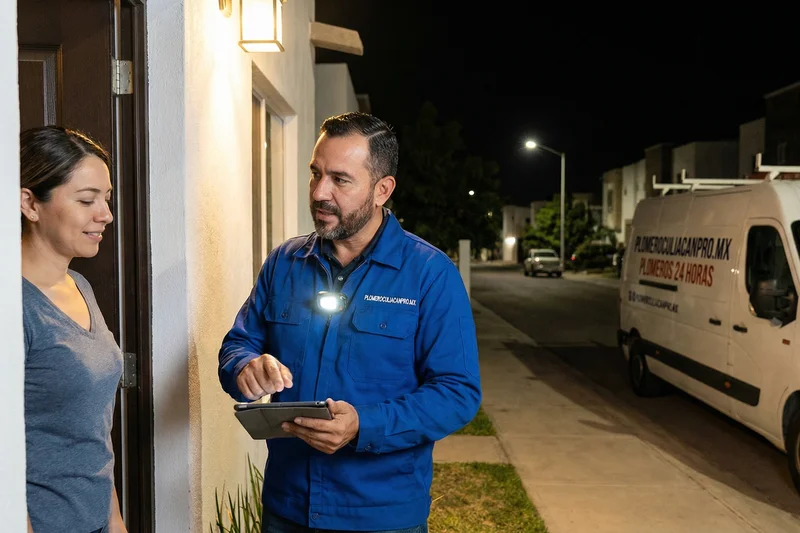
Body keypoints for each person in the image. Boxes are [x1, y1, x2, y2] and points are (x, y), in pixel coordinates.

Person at [218, 112, 482, 532]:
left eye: (340, 180)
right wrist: (245, 366)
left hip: (380, 515)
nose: (320, 191)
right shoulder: (285, 263)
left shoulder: (430, 274)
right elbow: (238, 343)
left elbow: (458, 393)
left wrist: (364, 425)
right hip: (287, 508)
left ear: (382, 189)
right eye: (315, 173)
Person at [20, 126, 127, 533]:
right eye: (87, 200)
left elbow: (92, 429)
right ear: (30, 202)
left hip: (96, 519)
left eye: (106, 198)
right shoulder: (14, 306)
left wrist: (114, 520)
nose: (106, 214)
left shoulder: (79, 286)